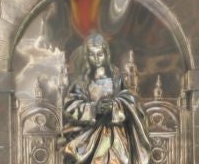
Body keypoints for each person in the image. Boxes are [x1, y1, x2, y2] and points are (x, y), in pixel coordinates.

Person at [59, 33, 152, 164]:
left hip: (116, 136)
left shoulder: (116, 79)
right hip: (89, 137)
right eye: (92, 55)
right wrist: (94, 109)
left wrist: (115, 106)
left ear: (106, 54)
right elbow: (72, 106)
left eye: (100, 54)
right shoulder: (82, 83)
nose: (96, 59)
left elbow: (129, 99)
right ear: (87, 56)